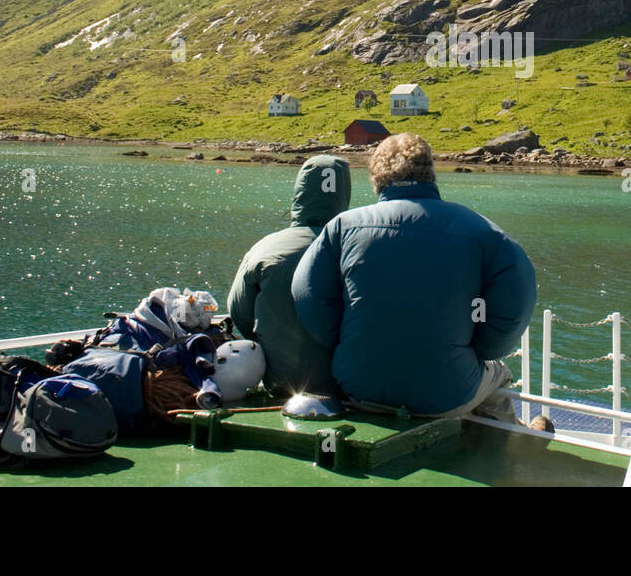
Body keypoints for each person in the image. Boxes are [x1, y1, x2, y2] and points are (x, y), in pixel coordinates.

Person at [292, 133, 536, 422]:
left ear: (376, 177)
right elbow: (517, 298)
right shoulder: (484, 232)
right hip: (448, 391)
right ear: (430, 173)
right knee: (497, 374)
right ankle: (512, 444)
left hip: (359, 385)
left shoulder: (342, 228)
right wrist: (482, 349)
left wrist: (344, 340)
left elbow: (307, 294)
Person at [226, 155, 350, 399]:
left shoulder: (266, 247)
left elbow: (238, 311)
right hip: (343, 387)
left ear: (299, 192)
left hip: (280, 383)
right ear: (343, 195)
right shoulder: (356, 248)